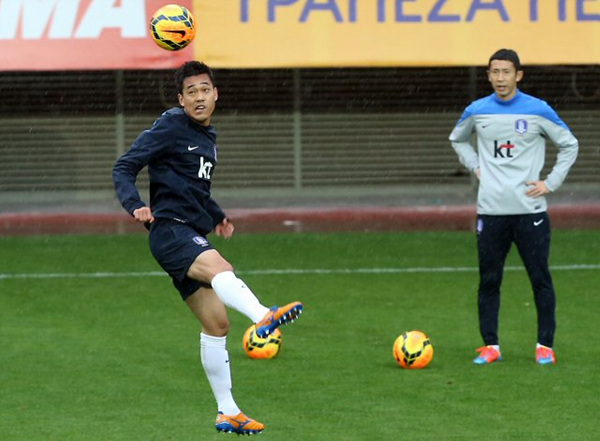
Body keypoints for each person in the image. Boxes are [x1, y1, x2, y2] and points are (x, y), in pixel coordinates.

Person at [112, 61, 303, 434]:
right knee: (221, 269)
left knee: (217, 325)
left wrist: (216, 214)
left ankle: (227, 411)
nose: (199, 97)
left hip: (188, 228)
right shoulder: (170, 125)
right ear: (181, 99)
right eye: (191, 92)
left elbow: (193, 187)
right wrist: (133, 203)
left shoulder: (207, 136)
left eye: (205, 89)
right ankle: (264, 315)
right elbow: (124, 166)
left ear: (216, 93)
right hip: (171, 231)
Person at [449, 49, 578, 366]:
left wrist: (550, 182)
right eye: (495, 72)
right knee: (489, 281)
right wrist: (476, 165)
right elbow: (457, 139)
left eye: (506, 72)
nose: (500, 78)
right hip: (491, 212)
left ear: (518, 75)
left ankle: (544, 346)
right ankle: (490, 346)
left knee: (540, 280)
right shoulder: (477, 111)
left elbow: (569, 144)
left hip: (530, 212)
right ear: (488, 75)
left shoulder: (538, 110)